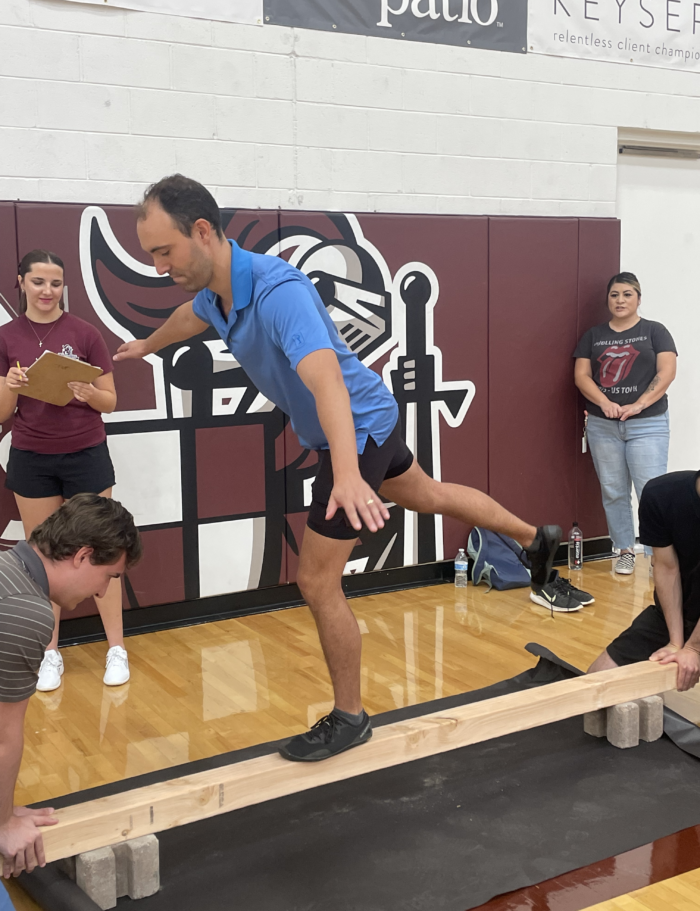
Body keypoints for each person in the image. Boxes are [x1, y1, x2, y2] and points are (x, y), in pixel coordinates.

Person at [114, 174, 565, 763]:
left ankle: (350, 716)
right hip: (367, 420)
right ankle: (537, 540)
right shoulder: (216, 294)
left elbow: (325, 378)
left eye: (163, 251)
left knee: (317, 581)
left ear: (202, 233)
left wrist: (348, 473)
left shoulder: (279, 292)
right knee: (427, 494)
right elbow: (189, 318)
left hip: (354, 429)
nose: (157, 265)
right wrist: (147, 345)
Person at [0, 250, 129, 691]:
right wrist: (9, 387)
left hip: (85, 453)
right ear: (21, 282)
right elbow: (2, 411)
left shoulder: (84, 332)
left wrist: (87, 392)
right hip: (31, 457)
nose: (47, 291)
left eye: (55, 283)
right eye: (38, 282)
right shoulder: (6, 337)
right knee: (43, 557)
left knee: (101, 550)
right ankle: (49, 652)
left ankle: (116, 648)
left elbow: (110, 401)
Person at [0, 494, 142, 884]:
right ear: (82, 555)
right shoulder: (27, 611)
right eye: (109, 576)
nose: (101, 593)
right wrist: (4, 823)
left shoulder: (8, 566)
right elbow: (3, 739)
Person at [574, 272, 677, 576]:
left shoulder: (654, 331)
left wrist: (639, 404)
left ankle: (659, 554)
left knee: (651, 491)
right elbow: (581, 376)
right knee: (614, 490)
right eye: (615, 295)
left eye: (627, 294)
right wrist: (605, 403)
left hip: (648, 424)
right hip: (602, 426)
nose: (620, 300)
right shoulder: (593, 335)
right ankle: (625, 550)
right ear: (608, 300)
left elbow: (667, 371)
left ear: (638, 298)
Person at [588, 470, 700, 693]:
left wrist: (694, 649)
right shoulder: (662, 494)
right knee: (596, 682)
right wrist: (676, 643)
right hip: (677, 612)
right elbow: (667, 568)